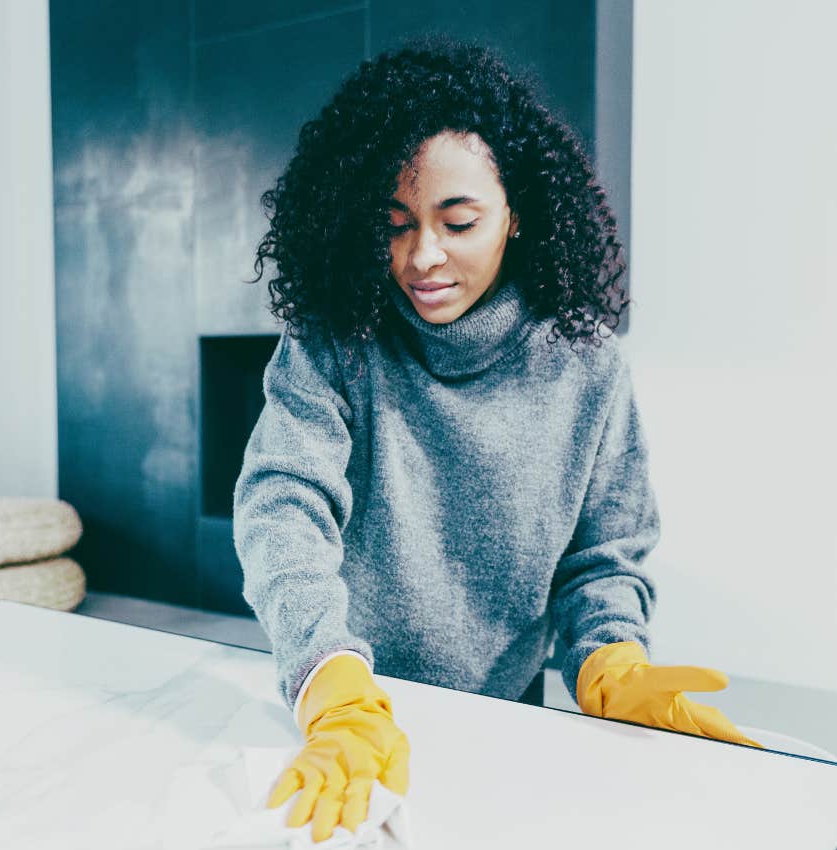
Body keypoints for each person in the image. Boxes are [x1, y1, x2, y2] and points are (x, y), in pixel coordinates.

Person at [233, 35, 759, 844]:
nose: (423, 256)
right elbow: (282, 506)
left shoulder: (586, 367)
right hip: (347, 711)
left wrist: (610, 658)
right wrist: (331, 688)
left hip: (506, 721)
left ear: (516, 215)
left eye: (459, 220)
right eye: (395, 223)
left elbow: (604, 555)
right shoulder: (336, 342)